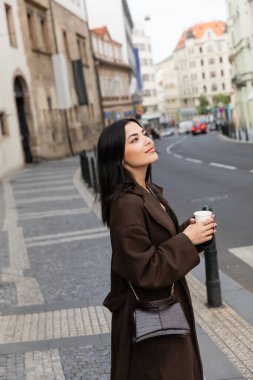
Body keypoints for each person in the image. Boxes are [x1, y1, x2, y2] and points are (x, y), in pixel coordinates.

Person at [97, 118, 216, 380]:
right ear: (118, 158)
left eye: (145, 133)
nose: (148, 140)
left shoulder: (147, 191)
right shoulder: (125, 205)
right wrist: (187, 240)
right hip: (152, 319)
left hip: (166, 309)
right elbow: (145, 269)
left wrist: (193, 233)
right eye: (135, 139)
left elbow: (158, 246)